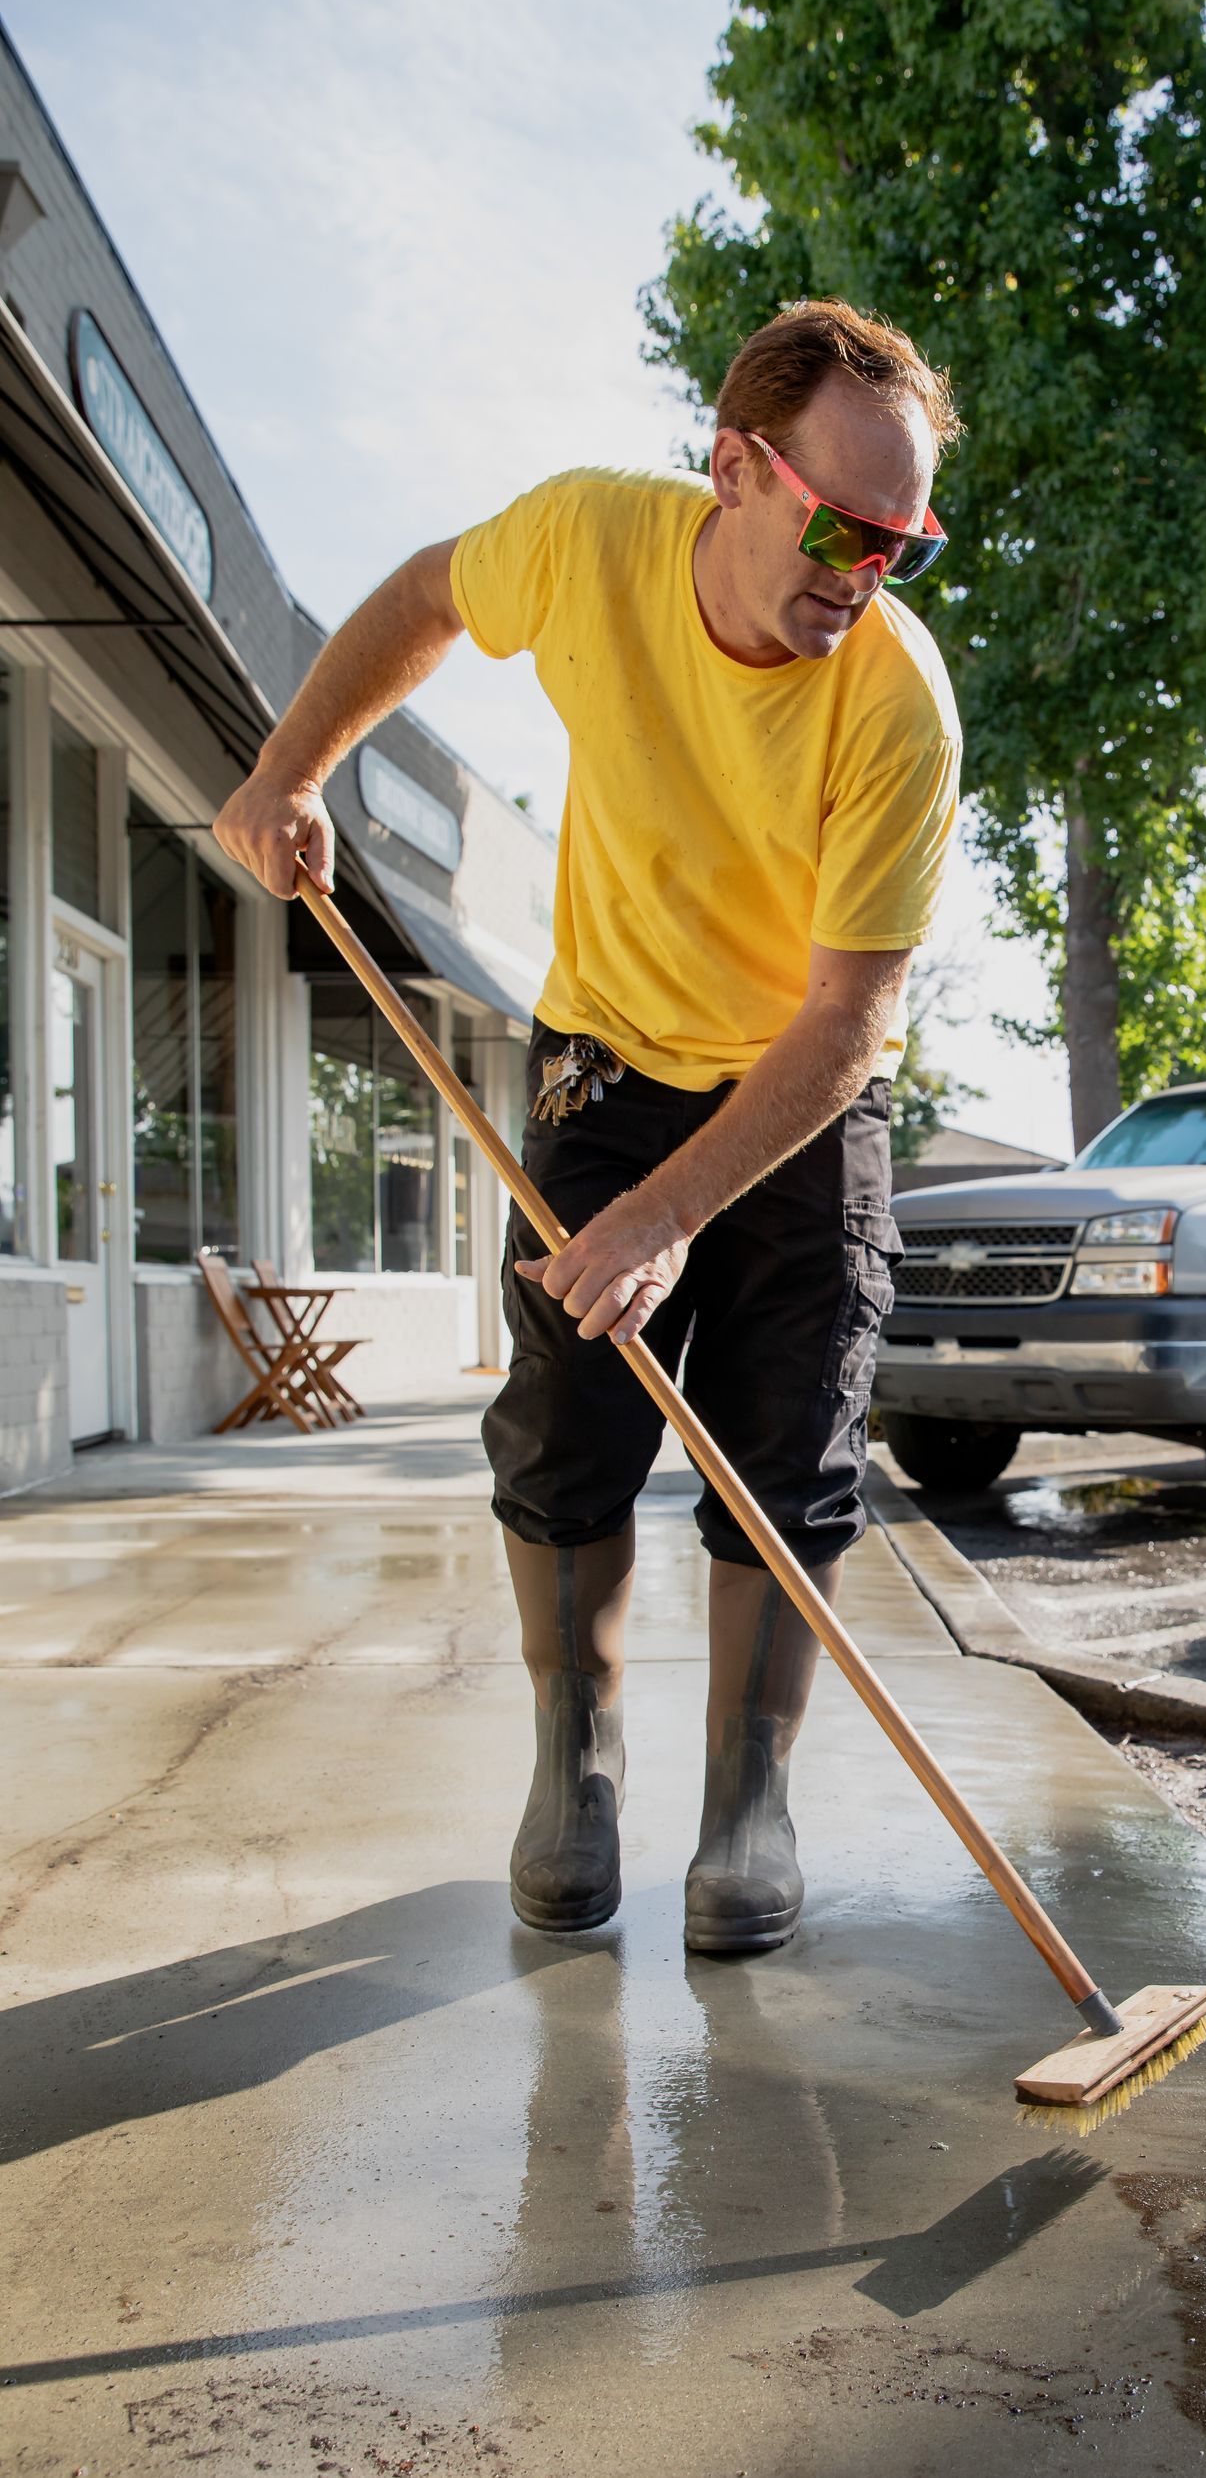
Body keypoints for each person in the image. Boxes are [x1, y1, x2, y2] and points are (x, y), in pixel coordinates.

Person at [215, 299, 963, 1949]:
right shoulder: (588, 541)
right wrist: (292, 766)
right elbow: (422, 599)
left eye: (903, 544)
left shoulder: (899, 707)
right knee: (562, 1431)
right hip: (611, 1053)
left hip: (798, 1085)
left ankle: (749, 1802)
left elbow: (847, 1023)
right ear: (733, 468)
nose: (862, 571)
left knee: (793, 1443)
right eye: (839, 524)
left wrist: (677, 1215)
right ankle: (577, 1766)